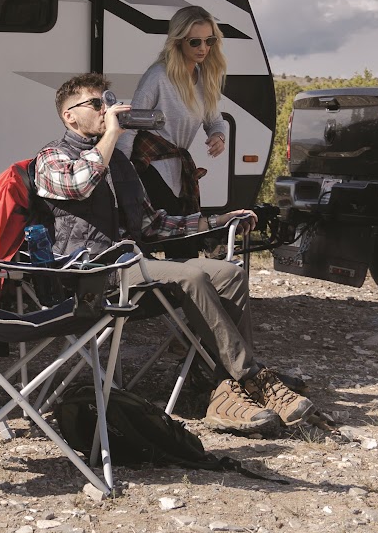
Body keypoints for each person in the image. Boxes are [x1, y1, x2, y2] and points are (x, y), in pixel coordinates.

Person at [36, 72, 321, 434]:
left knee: (229, 274)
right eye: (97, 103)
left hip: (132, 266)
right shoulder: (51, 158)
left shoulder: (119, 164)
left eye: (109, 101)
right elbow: (79, 186)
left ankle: (224, 390)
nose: (107, 109)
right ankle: (254, 379)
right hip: (90, 276)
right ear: (69, 116)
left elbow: (153, 224)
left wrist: (216, 221)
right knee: (190, 276)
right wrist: (112, 137)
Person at [121, 5, 228, 205]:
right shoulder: (158, 76)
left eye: (209, 41)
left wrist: (218, 136)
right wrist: (122, 176)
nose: (203, 48)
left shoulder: (204, 78)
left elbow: (215, 121)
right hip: (150, 169)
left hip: (179, 174)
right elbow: (129, 126)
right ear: (178, 41)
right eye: (195, 42)